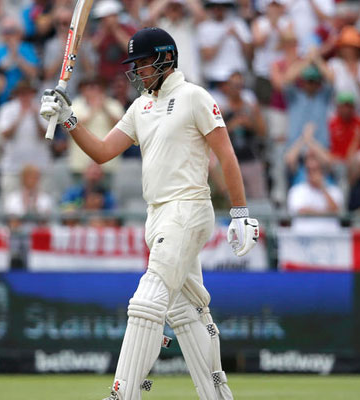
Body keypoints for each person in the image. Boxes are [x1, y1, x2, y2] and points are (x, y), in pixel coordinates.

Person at [39, 27, 258, 400]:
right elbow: (103, 151)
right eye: (135, 64)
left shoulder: (194, 97)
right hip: (157, 215)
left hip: (187, 208)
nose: (137, 71)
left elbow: (226, 154)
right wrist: (69, 118)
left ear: (165, 58)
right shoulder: (140, 106)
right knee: (188, 313)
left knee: (146, 301)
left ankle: (123, 394)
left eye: (142, 63)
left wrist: (240, 212)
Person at [287, 153, 344, 233]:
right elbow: (301, 211)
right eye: (308, 170)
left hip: (329, 236)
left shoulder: (334, 191)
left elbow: (336, 211)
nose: (311, 173)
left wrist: (322, 188)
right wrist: (326, 213)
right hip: (303, 236)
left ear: (322, 172)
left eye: (315, 170)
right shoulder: (296, 191)